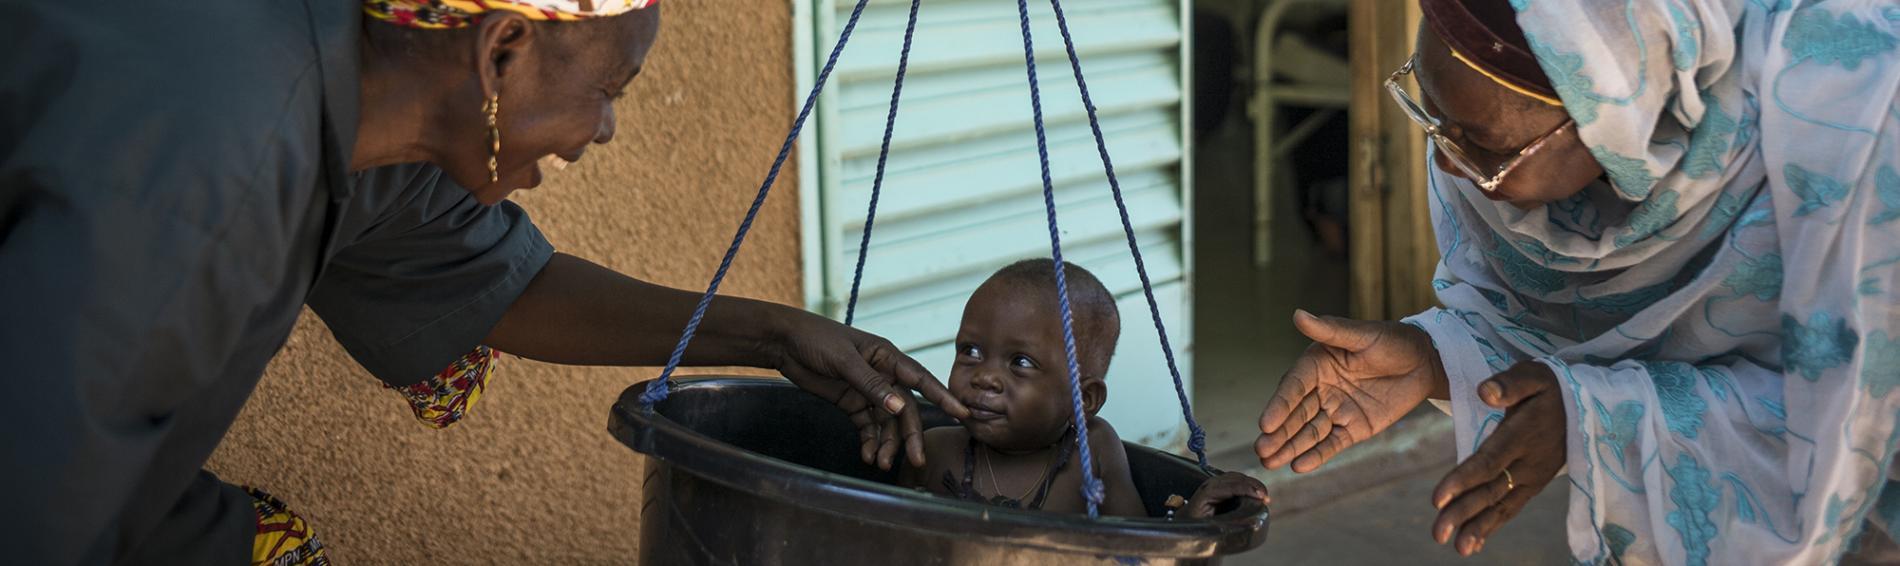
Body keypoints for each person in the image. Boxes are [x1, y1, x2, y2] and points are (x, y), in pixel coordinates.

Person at [0, 1, 967, 564]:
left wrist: (775, 336)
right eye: (609, 92)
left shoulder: (369, 123)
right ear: (500, 49)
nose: (604, 132)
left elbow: (502, 284)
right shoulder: (215, 176)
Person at [1253, 0, 1900, 563]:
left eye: (1481, 144)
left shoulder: (1857, 133)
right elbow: (1555, 327)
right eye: (1427, 108)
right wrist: (1436, 358)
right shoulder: (1503, 161)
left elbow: (1848, 427)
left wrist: (1595, 420)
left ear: (1616, 120)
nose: (1448, 163)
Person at [900, 259, 1266, 518]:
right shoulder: (932, 450)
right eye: (971, 351)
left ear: (1084, 399)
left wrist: (1189, 522)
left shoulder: (1091, 452)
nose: (985, 377)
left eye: (1020, 362)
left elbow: (1137, 546)